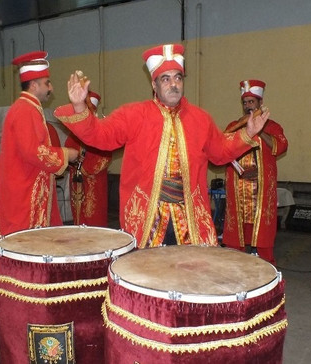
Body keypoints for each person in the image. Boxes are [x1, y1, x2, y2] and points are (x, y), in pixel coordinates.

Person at [54, 43, 269, 248]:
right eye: (165, 79)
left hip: (190, 218)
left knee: (192, 275)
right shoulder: (134, 114)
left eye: (177, 78)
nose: (173, 84)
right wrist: (79, 105)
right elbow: (100, 135)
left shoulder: (201, 119)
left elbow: (220, 152)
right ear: (154, 85)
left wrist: (248, 133)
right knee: (146, 277)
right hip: (148, 217)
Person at [0, 51, 78, 325]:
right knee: (19, 255)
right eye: (47, 82)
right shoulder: (25, 110)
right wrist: (66, 155)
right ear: (34, 84)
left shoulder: (28, 109)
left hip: (32, 193)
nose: (51, 87)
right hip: (24, 198)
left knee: (32, 254)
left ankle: (26, 306)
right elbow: (33, 153)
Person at [221, 80, 288, 263]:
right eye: (245, 102)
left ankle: (266, 267)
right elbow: (223, 150)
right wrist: (240, 172)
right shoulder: (234, 125)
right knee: (237, 234)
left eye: (252, 102)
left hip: (261, 189)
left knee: (262, 232)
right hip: (239, 186)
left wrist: (261, 128)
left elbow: (281, 147)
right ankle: (236, 265)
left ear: (260, 103)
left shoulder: (272, 126)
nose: (248, 106)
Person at [64, 91, 112, 227]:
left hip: (94, 182)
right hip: (76, 181)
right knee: (78, 216)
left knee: (94, 217)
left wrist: (83, 168)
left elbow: (104, 156)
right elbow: (68, 148)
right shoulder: (75, 131)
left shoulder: (101, 128)